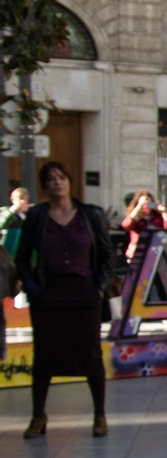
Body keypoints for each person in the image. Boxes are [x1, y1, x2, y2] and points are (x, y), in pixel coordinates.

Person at [17, 162, 115, 439]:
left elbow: (108, 255)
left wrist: (100, 287)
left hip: (84, 293)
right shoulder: (37, 216)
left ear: (70, 182)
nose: (57, 183)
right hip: (48, 294)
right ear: (44, 186)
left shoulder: (91, 215)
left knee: (91, 354)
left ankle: (100, 415)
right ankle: (38, 415)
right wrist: (33, 289)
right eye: (51, 179)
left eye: (61, 177)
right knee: (44, 355)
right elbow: (22, 258)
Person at [121, 190, 167, 261]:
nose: (146, 207)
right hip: (138, 251)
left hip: (155, 251)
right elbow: (126, 225)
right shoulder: (136, 218)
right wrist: (139, 206)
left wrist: (164, 212)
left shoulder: (157, 217)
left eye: (149, 204)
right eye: (144, 205)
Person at [0, 187, 30, 257]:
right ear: (13, 200)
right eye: (20, 199)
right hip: (7, 252)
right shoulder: (5, 210)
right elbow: (1, 224)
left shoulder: (27, 215)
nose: (22, 202)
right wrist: (14, 209)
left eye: (24, 199)